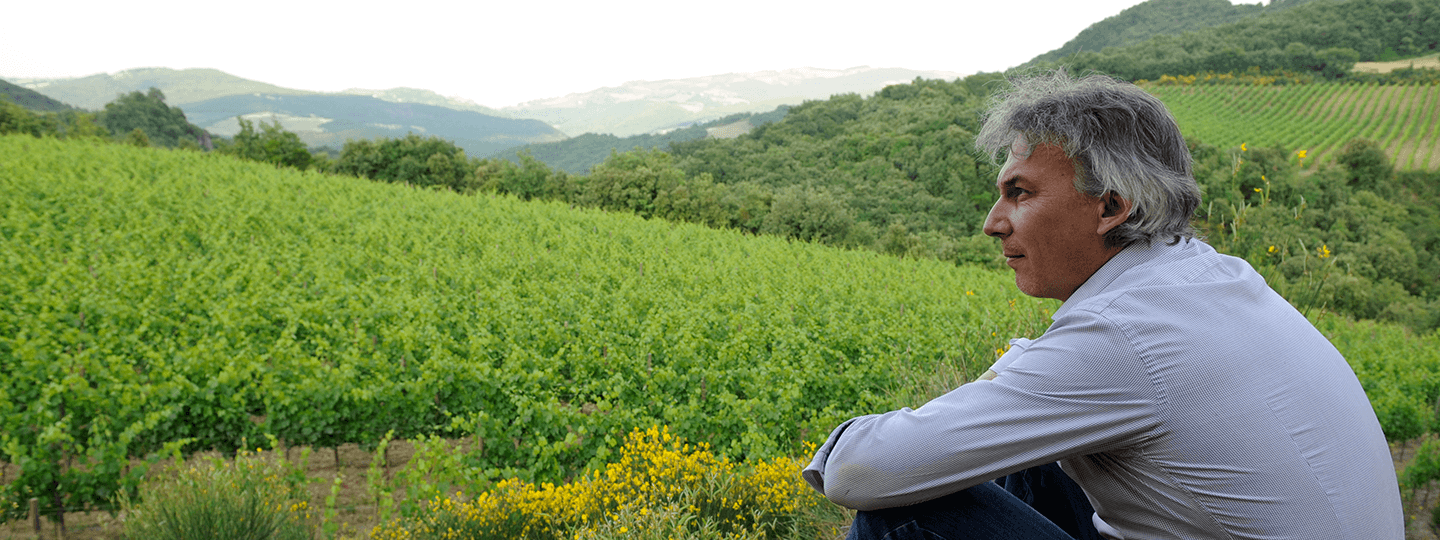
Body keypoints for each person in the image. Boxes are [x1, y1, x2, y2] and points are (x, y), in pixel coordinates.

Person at [802, 70, 1404, 539]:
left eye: (1019, 193)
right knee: (1032, 454)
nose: (993, 223)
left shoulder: (1124, 337)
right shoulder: (1206, 277)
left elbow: (861, 471)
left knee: (906, 516)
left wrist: (837, 448)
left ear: (1111, 207)